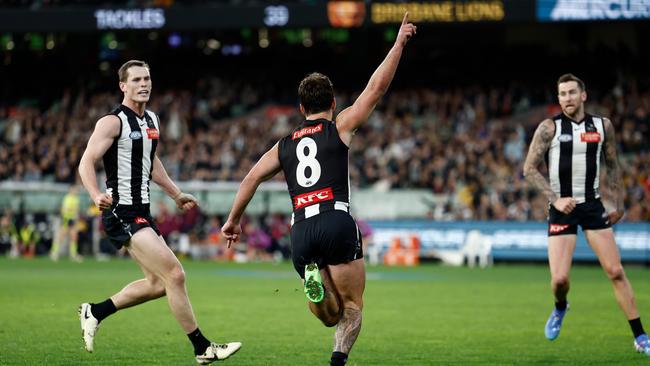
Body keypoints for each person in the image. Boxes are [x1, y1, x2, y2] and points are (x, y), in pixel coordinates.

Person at [221, 13, 416, 365]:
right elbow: (376, 89)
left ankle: (314, 278)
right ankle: (337, 362)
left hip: (301, 230)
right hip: (335, 220)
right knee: (352, 307)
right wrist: (399, 43)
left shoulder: (284, 145)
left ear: (300, 109)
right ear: (333, 104)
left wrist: (233, 220)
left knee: (328, 314)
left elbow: (250, 178)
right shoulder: (339, 127)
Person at [77, 60, 241, 364]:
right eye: (137, 79)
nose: (144, 84)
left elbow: (151, 163)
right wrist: (96, 194)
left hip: (143, 211)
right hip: (121, 211)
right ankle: (202, 347)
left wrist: (176, 194)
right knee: (175, 274)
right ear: (123, 86)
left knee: (157, 284)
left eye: (147, 79)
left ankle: (94, 311)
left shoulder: (151, 119)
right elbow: (85, 162)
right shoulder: (112, 122)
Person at [523, 73, 650, 356]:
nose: (567, 98)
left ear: (583, 95)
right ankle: (560, 307)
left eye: (571, 92)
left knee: (616, 271)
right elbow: (529, 169)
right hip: (562, 210)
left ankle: (640, 336)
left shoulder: (603, 126)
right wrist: (555, 200)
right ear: (558, 99)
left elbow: (613, 163)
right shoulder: (548, 128)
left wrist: (617, 202)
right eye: (562, 94)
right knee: (559, 281)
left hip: (592, 206)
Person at [50, 185, 83, 262]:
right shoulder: (67, 198)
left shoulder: (76, 199)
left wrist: (76, 217)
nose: (76, 191)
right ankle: (54, 252)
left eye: (76, 190)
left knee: (74, 237)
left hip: (73, 219)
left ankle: (73, 254)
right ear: (70, 190)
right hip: (66, 219)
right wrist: (70, 213)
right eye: (74, 190)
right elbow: (64, 209)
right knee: (62, 236)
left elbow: (77, 210)